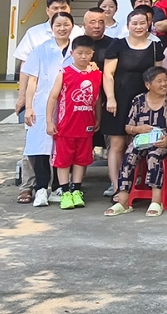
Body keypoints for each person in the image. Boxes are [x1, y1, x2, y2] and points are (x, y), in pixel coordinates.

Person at [101, 7, 165, 199]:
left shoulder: (155, 46)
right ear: (128, 25)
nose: (138, 27)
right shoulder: (117, 45)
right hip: (119, 100)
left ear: (148, 24)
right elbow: (108, 74)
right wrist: (110, 98)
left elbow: (159, 76)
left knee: (139, 143)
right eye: (134, 23)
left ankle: (135, 182)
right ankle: (117, 187)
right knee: (118, 144)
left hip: (145, 102)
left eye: (142, 23)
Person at [106, 66, 167, 217]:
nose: (164, 84)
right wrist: (138, 129)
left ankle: (156, 201)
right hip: (143, 141)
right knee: (129, 155)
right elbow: (128, 127)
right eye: (159, 81)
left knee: (154, 155)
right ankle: (123, 201)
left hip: (166, 140)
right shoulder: (138, 100)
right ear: (148, 85)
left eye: (165, 80)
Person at [22, 11, 76, 207]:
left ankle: (60, 188)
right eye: (58, 25)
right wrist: (29, 106)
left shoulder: (76, 50)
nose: (62, 28)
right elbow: (32, 81)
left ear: (72, 26)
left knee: (63, 147)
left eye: (66, 24)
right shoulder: (40, 50)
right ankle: (41, 188)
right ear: (51, 28)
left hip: (68, 107)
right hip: (42, 104)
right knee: (41, 148)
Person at [45, 35, 102, 209]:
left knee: (81, 159)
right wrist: (49, 121)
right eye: (79, 53)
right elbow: (53, 97)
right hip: (65, 126)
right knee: (63, 160)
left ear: (93, 53)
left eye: (87, 53)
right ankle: (65, 192)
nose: (83, 56)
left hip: (86, 125)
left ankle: (76, 190)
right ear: (72, 53)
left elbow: (97, 98)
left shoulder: (97, 74)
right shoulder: (64, 73)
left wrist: (98, 117)